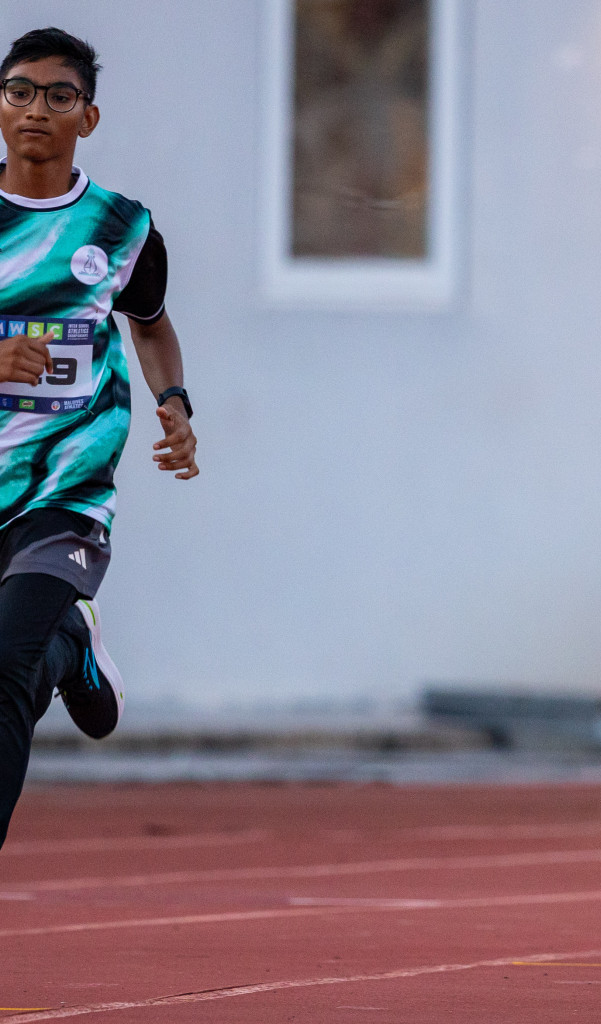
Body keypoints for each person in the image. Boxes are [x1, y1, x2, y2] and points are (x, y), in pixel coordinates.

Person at [0, 28, 198, 848]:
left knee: (2, 669)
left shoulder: (123, 226)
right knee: (20, 660)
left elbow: (150, 327)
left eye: (57, 95)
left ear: (89, 116)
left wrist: (177, 405)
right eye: (18, 91)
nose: (35, 109)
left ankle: (46, 650)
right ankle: (71, 650)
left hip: (68, 497)